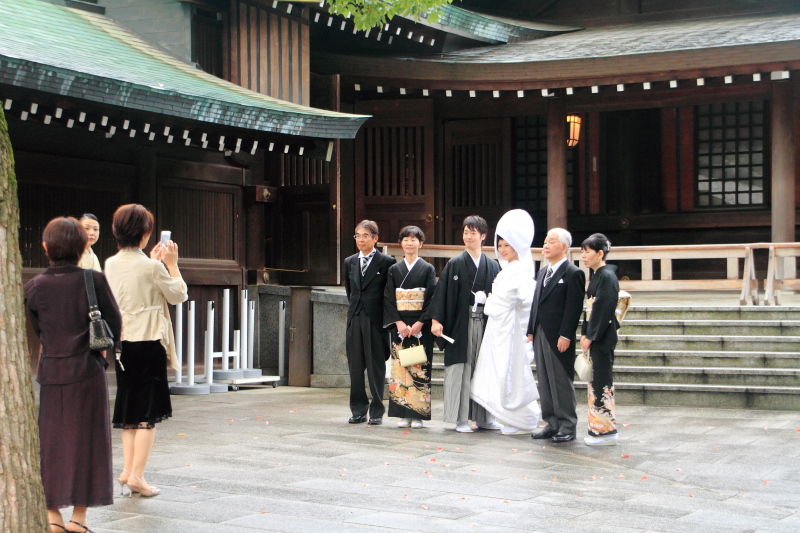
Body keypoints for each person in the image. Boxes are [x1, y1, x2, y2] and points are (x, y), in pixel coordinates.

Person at [25, 217, 122, 533]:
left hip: (52, 372)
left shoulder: (35, 287)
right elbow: (115, 325)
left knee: (50, 444)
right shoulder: (93, 280)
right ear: (83, 247)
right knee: (89, 443)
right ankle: (79, 519)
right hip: (87, 373)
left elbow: (37, 329)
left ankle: (52, 516)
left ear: (45, 248)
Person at [104, 204, 187, 498]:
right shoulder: (152, 267)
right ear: (146, 233)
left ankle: (128, 470)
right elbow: (178, 295)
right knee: (147, 414)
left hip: (122, 343)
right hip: (149, 341)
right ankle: (137, 476)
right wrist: (172, 264)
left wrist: (155, 264)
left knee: (129, 410)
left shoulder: (110, 263)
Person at [429, 215, 500, 433]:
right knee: (461, 368)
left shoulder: (493, 266)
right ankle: (460, 418)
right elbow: (441, 294)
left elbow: (500, 296)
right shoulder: (455, 264)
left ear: (483, 236)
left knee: (484, 368)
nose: (468, 237)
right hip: (461, 323)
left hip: (485, 322)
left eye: (473, 233)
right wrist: (436, 320)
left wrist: (489, 299)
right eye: (465, 232)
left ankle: (484, 417)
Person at [471, 210, 540, 435]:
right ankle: (508, 417)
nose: (502, 249)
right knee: (502, 373)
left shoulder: (519, 270)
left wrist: (488, 301)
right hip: (500, 330)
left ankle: (522, 419)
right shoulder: (509, 269)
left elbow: (505, 301)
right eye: (500, 245)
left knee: (512, 373)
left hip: (510, 331)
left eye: (507, 245)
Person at [526, 228, 586, 443]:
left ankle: (567, 425)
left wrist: (566, 335)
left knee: (560, 379)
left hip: (559, 335)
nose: (546, 245)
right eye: (545, 241)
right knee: (544, 379)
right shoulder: (543, 271)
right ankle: (551, 423)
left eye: (551, 242)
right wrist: (531, 330)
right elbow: (536, 303)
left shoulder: (572, 273)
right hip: (541, 330)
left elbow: (573, 307)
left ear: (563, 247)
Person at [383, 226, 437, 428]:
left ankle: (418, 415)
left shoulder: (428, 269)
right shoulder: (394, 270)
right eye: (406, 239)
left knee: (419, 369)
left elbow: (431, 298)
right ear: (401, 243)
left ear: (421, 244)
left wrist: (420, 322)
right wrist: (398, 322)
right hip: (401, 328)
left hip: (419, 328)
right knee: (401, 370)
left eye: (414, 239)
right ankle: (403, 414)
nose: (410, 243)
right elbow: (389, 298)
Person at [343, 220, 396, 425]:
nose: (361, 239)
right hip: (355, 317)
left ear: (375, 238)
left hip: (376, 320)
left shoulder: (386, 261)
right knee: (355, 366)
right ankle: (358, 409)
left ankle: (376, 410)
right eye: (358, 235)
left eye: (366, 235)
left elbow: (388, 294)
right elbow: (351, 292)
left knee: (375, 366)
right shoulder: (350, 262)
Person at [579, 233, 620, 446]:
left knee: (602, 381)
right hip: (596, 337)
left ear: (600, 253)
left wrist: (590, 337)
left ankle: (606, 431)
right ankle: (598, 428)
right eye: (583, 251)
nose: (583, 255)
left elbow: (603, 310)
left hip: (602, 338)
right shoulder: (598, 276)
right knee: (595, 381)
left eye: (587, 251)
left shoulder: (606, 277)